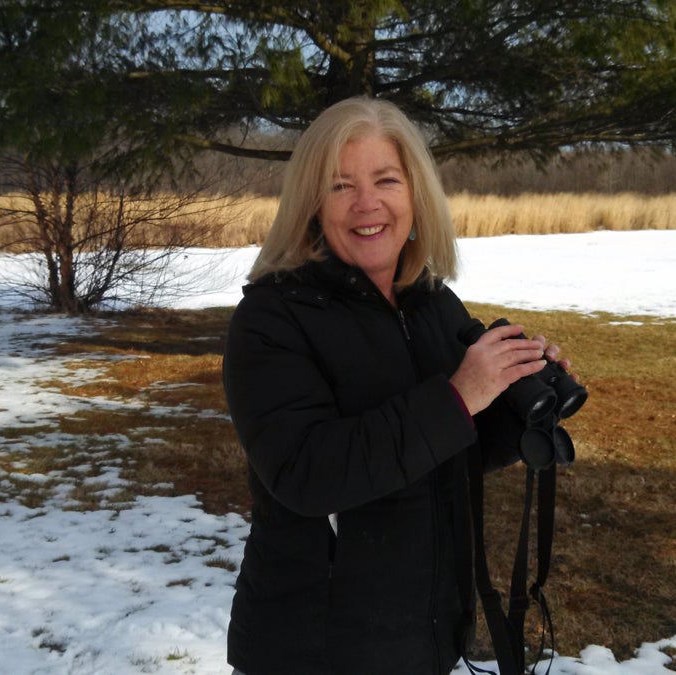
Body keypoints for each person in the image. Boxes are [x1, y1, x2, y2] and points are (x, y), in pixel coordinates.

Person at [222, 96, 573, 675]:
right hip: (314, 650)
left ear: (416, 193)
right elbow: (308, 474)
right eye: (341, 186)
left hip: (424, 640)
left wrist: (516, 409)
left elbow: (446, 450)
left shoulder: (433, 303)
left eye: (386, 179)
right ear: (312, 202)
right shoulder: (272, 320)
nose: (368, 204)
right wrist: (460, 395)